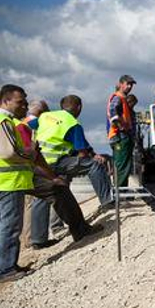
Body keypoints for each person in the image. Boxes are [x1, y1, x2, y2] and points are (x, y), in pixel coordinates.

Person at [0, 84, 100, 282]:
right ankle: (5, 269)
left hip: (23, 176)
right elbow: (10, 153)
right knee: (9, 224)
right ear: (5, 101)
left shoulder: (15, 122)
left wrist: (52, 177)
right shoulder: (4, 121)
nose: (24, 106)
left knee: (57, 189)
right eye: (20, 102)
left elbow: (34, 157)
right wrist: (30, 152)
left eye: (26, 102)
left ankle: (79, 230)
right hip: (8, 181)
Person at [30, 95, 114, 247]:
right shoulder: (72, 123)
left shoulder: (45, 116)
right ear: (79, 107)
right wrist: (92, 158)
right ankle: (108, 202)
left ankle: (38, 240)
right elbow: (82, 153)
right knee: (93, 165)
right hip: (57, 162)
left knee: (43, 197)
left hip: (38, 163)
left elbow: (27, 127)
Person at [108, 75, 136, 187]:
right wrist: (121, 127)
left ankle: (122, 191)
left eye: (131, 85)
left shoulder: (122, 98)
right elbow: (113, 114)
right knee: (122, 166)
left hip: (122, 136)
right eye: (127, 84)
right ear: (120, 84)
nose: (129, 87)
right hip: (120, 136)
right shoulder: (118, 98)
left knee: (124, 165)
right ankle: (120, 194)